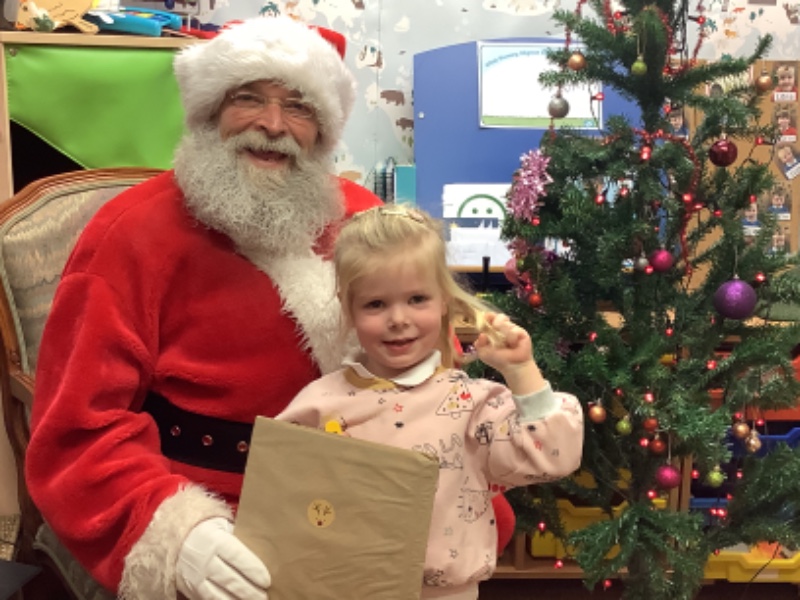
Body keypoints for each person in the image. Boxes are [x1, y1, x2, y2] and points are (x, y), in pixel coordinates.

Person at [25, 16, 388, 600]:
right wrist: (175, 533)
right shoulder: (128, 234)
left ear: (322, 130)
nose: (273, 125)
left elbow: (435, 373)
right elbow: (78, 429)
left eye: (298, 106)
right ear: (210, 110)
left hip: (356, 507)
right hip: (206, 517)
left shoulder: (372, 223)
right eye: (249, 98)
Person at [276, 206, 585, 600]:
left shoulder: (473, 405)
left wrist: (521, 371)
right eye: (375, 304)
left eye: (417, 298)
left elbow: (553, 457)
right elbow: (281, 501)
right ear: (349, 308)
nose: (398, 319)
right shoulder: (319, 404)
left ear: (444, 301)